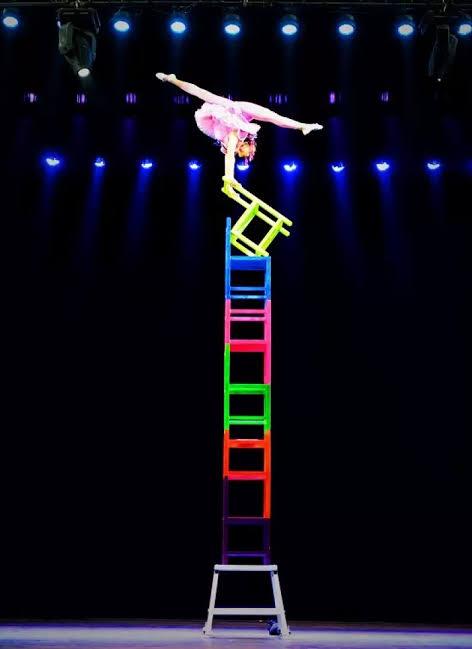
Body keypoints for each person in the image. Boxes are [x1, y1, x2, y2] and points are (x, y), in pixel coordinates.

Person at [156, 72, 323, 181]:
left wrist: (229, 177)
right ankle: (302, 126)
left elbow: (230, 157)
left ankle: (171, 79)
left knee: (203, 94)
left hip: (219, 115)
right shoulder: (245, 134)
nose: (245, 151)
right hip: (237, 112)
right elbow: (235, 150)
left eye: (242, 152)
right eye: (248, 152)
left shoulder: (231, 139)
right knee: (272, 116)